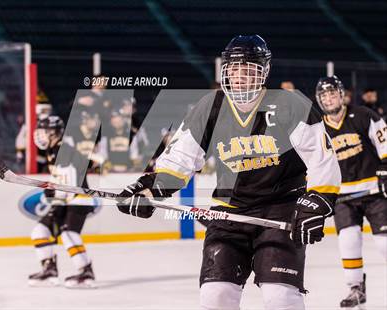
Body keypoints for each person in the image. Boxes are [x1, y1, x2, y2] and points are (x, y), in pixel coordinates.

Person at [115, 35, 341, 310]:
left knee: (280, 298)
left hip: (281, 210)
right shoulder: (209, 107)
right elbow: (180, 160)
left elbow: (322, 160)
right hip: (228, 212)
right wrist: (149, 189)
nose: (240, 77)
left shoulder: (291, 105)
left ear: (264, 72)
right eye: (234, 70)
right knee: (215, 297)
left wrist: (317, 203)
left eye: (248, 70)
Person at [315, 76, 387, 308]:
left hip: (374, 191)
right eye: (324, 95)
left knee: (384, 243)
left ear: (341, 94)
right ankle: (355, 287)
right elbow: (315, 163)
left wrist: (385, 168)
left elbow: (384, 142)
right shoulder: (318, 129)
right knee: (348, 240)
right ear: (319, 100)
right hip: (343, 196)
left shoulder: (364, 115)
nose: (329, 98)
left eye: (332, 93)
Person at [29, 115, 96, 288]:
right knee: (39, 231)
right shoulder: (53, 150)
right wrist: (53, 191)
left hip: (78, 199)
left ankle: (85, 271)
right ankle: (49, 268)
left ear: (55, 133)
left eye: (45, 132)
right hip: (64, 200)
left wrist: (54, 192)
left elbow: (70, 183)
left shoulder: (64, 150)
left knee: (68, 234)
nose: (41, 135)